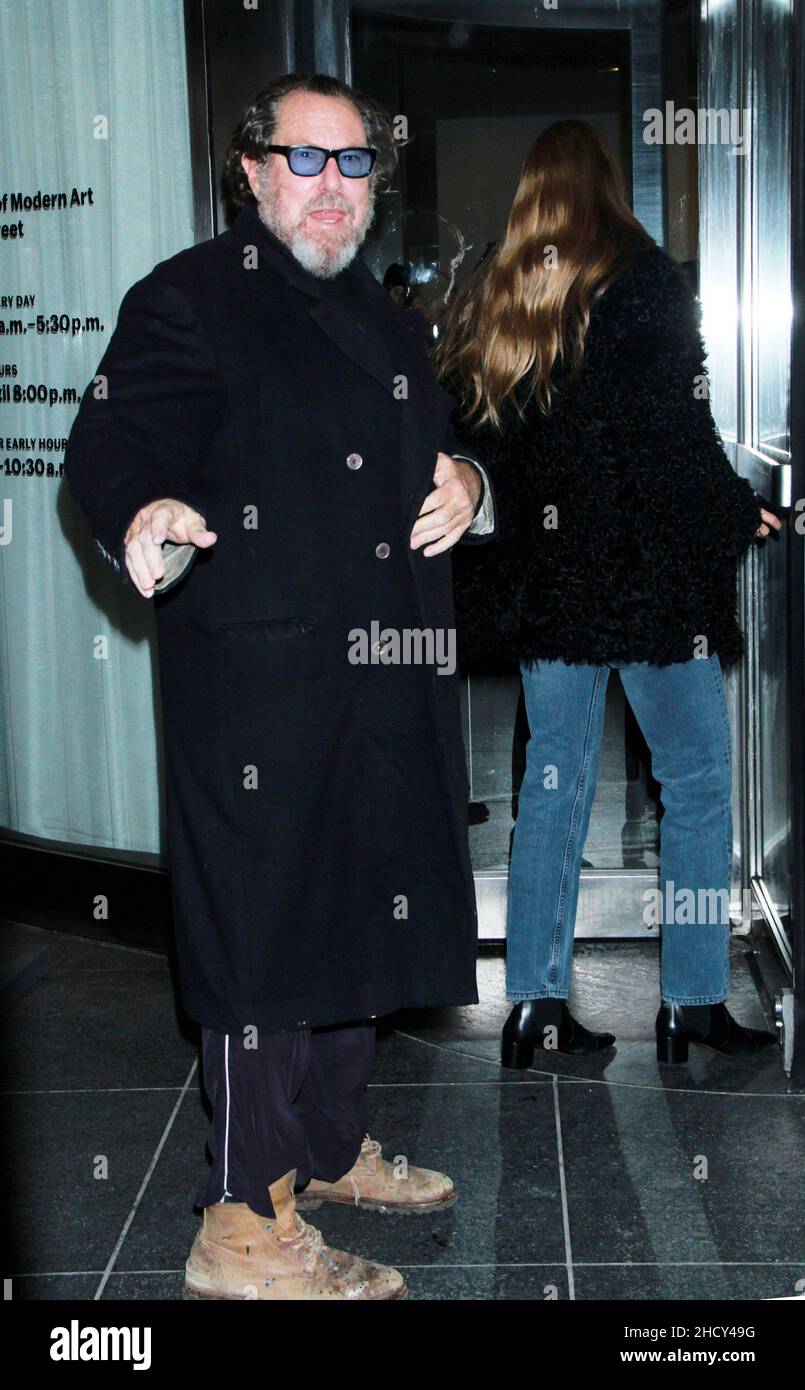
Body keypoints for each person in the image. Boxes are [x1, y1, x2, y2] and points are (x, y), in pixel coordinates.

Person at [64, 72, 496, 1301]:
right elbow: (111, 439)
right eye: (304, 160)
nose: (331, 186)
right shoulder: (189, 299)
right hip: (264, 688)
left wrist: (466, 476)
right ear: (248, 171)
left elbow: (448, 441)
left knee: (359, 914)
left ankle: (324, 1144)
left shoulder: (388, 310)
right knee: (265, 939)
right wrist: (139, 511)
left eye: (354, 163)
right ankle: (243, 1222)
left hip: (383, 673)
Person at [436, 120, 781, 1070]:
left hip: (555, 592)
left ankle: (535, 1007)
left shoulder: (504, 296)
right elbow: (671, 437)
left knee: (551, 792)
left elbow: (489, 442)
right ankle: (691, 1005)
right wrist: (735, 509)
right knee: (698, 788)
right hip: (646, 589)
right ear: (607, 185)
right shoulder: (642, 282)